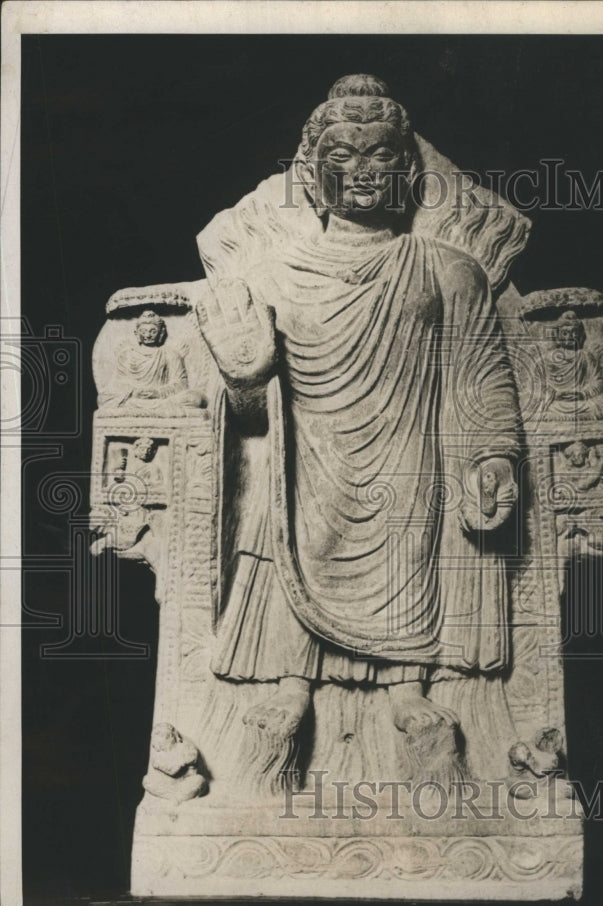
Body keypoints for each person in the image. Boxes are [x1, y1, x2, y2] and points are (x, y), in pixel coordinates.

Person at [196, 75, 522, 790]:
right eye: (344, 154)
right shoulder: (272, 272)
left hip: (409, 468)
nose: (365, 170)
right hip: (305, 464)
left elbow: (480, 381)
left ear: (408, 170)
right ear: (312, 174)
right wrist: (244, 374)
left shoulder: (449, 270)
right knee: (280, 519)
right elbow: (250, 426)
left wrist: (494, 459)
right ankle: (291, 686)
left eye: (382, 155)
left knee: (413, 525)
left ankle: (408, 687)